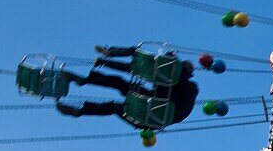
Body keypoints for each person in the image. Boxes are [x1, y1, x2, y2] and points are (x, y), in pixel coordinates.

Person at [55, 45, 199, 127]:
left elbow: (131, 68)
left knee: (119, 87)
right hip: (151, 115)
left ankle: (86, 82)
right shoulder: (182, 85)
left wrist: (105, 62)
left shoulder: (180, 83)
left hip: (150, 113)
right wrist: (105, 63)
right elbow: (133, 69)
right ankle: (81, 108)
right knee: (116, 104)